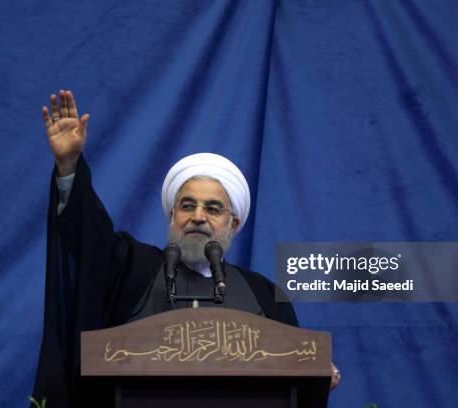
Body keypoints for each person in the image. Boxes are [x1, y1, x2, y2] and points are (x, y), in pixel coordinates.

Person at [32, 90, 340, 407]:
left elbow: (294, 377)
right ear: (173, 215)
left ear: (233, 224)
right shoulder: (132, 269)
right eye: (187, 205)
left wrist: (316, 377)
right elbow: (88, 238)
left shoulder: (262, 295)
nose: (198, 217)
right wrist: (68, 166)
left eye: (213, 208)